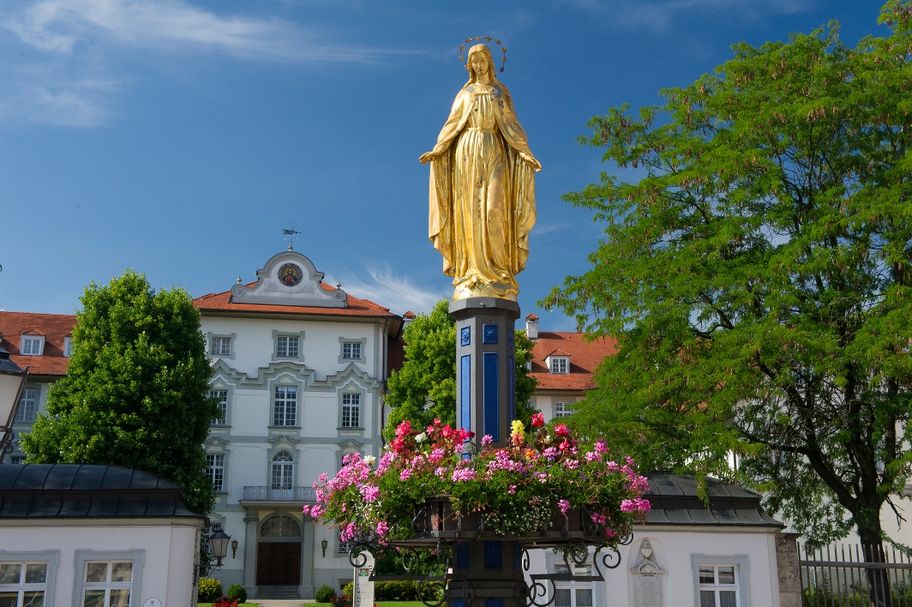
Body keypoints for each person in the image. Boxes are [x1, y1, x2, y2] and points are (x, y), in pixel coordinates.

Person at [420, 43, 541, 301]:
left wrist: (525, 152)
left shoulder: (500, 92)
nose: (478, 65)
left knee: (493, 211)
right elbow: (451, 125)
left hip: (494, 151)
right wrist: (438, 150)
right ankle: (471, 270)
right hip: (466, 155)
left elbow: (511, 125)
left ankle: (499, 272)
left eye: (482, 60)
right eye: (473, 61)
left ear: (490, 62)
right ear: (469, 66)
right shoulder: (464, 94)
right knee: (470, 214)